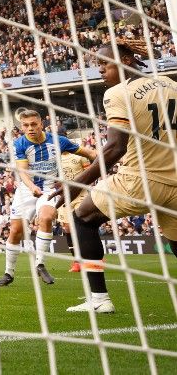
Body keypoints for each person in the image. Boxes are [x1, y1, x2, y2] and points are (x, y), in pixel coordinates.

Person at [50, 38, 177, 313]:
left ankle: (99, 300)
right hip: (175, 181)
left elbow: (114, 148)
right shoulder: (171, 84)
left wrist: (76, 184)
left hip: (140, 179)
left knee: (81, 217)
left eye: (104, 63)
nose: (100, 70)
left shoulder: (119, 92)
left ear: (127, 61)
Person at [0, 110, 96, 287]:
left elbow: (90, 154)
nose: (30, 128)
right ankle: (8, 273)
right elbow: (23, 171)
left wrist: (105, 161)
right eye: (25, 125)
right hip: (27, 190)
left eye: (34, 124)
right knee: (16, 231)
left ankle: (40, 264)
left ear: (41, 124)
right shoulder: (20, 144)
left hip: (49, 189)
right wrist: (32, 186)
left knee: (47, 217)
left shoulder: (59, 141)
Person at [57, 151, 91, 272]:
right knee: (67, 228)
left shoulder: (80, 155)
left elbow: (90, 174)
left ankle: (93, 258)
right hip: (64, 197)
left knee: (82, 226)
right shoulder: (55, 158)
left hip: (81, 195)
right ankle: (77, 262)